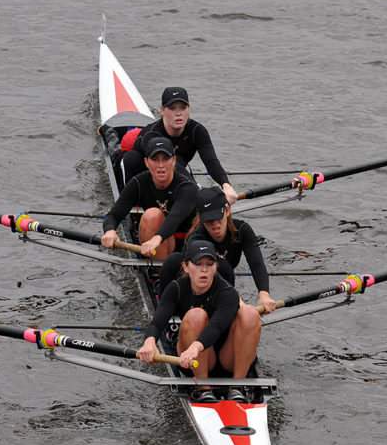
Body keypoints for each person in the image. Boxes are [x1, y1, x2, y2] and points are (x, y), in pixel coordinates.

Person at [136, 240, 262, 403]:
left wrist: (196, 346)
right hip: (193, 362)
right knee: (196, 315)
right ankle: (203, 389)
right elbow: (157, 321)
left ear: (216, 267)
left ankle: (237, 387)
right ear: (186, 266)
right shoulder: (176, 288)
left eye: (209, 264)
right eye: (198, 263)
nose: (204, 269)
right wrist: (149, 341)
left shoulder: (228, 293)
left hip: (226, 360)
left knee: (250, 314)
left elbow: (216, 327)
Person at [158, 187, 278, 314]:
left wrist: (264, 294)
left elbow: (257, 264)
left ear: (227, 210)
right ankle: (165, 313)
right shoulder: (196, 238)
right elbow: (214, 273)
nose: (215, 224)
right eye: (209, 220)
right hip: (191, 286)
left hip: (220, 284)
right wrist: (237, 299)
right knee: (173, 260)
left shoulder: (242, 230)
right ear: (201, 218)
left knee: (225, 269)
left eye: (217, 217)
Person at [120, 87, 239, 205]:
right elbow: (171, 164)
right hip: (143, 172)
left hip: (175, 169)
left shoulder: (197, 131)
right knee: (131, 158)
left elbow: (211, 161)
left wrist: (226, 185)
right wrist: (196, 190)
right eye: (172, 108)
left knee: (180, 162)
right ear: (162, 110)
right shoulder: (152, 134)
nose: (178, 113)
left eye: (183, 108)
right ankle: (133, 205)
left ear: (189, 109)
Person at [101, 136, 197, 259]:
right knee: (152, 215)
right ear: (146, 162)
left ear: (174, 161)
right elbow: (113, 215)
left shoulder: (187, 186)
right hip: (155, 246)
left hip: (186, 244)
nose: (160, 165)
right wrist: (110, 230)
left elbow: (175, 217)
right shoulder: (138, 183)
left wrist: (157, 238)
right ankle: (162, 272)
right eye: (155, 159)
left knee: (153, 214)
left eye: (166, 159)